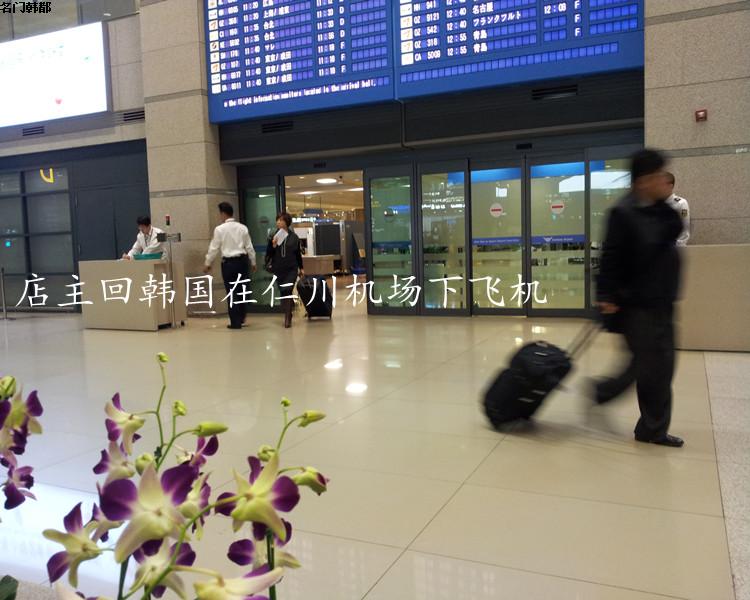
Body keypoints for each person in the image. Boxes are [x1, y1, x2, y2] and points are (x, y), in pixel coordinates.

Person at [593, 149, 685, 447]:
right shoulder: (623, 213)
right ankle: (648, 427)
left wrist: (663, 203)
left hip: (662, 301)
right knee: (652, 365)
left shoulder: (658, 209)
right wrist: (606, 295)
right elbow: (610, 257)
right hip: (637, 305)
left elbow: (675, 228)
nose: (664, 180)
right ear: (644, 180)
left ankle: (611, 397)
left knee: (656, 365)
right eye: (659, 175)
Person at [203, 202, 256, 330]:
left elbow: (214, 248)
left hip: (228, 264)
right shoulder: (242, 228)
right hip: (242, 262)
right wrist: (253, 262)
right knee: (242, 290)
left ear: (223, 214)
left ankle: (235, 322)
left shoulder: (219, 229)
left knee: (231, 292)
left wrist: (208, 263)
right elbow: (249, 246)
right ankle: (242, 317)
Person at [265, 212, 304, 328]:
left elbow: (298, 254)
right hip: (279, 268)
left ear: (287, 222)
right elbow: (269, 253)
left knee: (287, 290)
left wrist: (301, 268)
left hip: (291, 268)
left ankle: (287, 318)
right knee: (283, 292)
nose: (278, 222)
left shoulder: (294, 237)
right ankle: (288, 312)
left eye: (281, 220)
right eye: (277, 220)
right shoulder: (273, 236)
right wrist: (273, 245)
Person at [665, 172, 690, 246]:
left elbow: (685, 227)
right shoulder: (656, 204)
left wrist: (678, 245)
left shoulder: (681, 203)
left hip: (674, 247)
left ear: (670, 186)